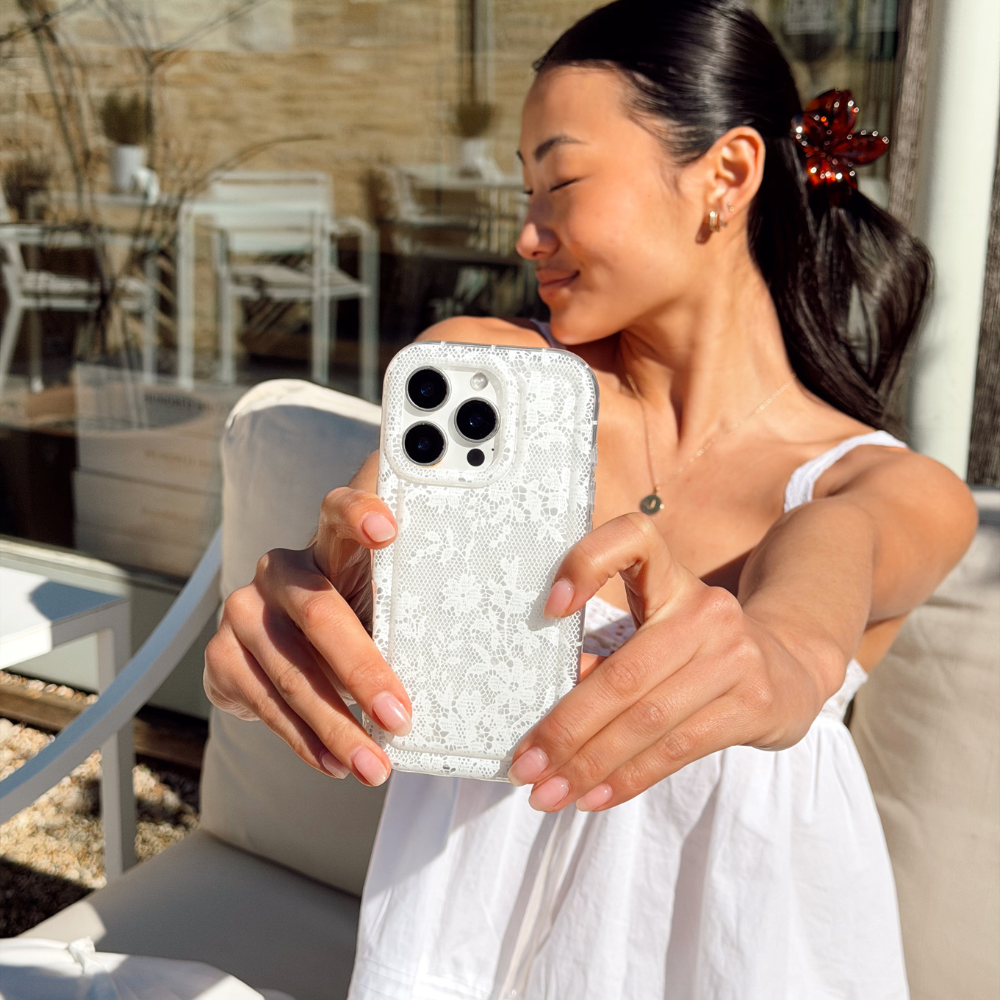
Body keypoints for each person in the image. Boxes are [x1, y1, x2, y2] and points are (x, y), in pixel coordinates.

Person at [204, 1, 977, 996]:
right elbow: (360, 544)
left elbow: (810, 599)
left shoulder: (878, 487)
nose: (528, 235)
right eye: (523, 190)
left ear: (727, 175)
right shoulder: (484, 376)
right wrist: (301, 614)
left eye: (559, 181)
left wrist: (771, 661)